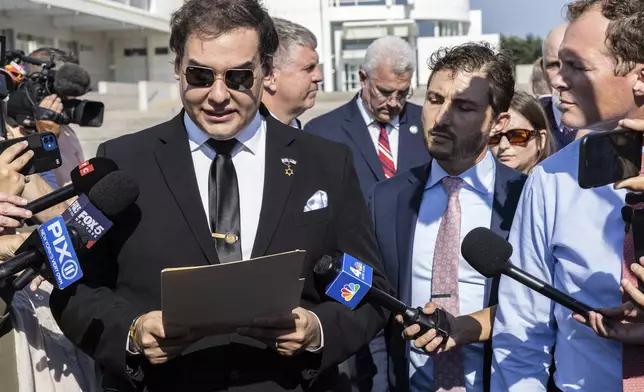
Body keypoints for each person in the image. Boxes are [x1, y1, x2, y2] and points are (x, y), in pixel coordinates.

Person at [49, 1, 391, 391]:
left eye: (239, 77)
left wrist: (318, 330)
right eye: (199, 74)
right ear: (178, 67)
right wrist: (131, 332)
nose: (217, 95)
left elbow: (370, 288)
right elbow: (73, 287)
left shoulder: (326, 163)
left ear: (266, 70)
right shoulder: (122, 162)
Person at [491, 1, 644, 391]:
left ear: (640, 76)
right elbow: (522, 330)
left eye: (577, 65)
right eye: (558, 64)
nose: (558, 80)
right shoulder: (551, 180)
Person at [368, 42, 526, 392]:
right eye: (435, 99)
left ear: (498, 122)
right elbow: (373, 311)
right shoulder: (387, 199)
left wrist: (468, 328)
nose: (441, 117)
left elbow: (538, 310)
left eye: (464, 106)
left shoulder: (525, 198)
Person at [304, 36, 429, 198]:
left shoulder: (427, 123)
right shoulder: (323, 132)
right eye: (385, 92)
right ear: (363, 79)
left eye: (403, 93)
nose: (394, 103)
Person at [26, 47, 86, 187]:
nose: (73, 96)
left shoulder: (65, 129)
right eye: (68, 87)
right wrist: (44, 139)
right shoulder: (14, 134)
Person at [261, 18, 322, 129]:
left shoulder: (298, 130)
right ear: (269, 75)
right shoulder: (245, 140)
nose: (319, 77)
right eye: (309, 68)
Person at [489, 91, 557, 174]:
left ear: (541, 140)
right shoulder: (475, 184)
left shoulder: (558, 184)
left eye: (516, 136)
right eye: (494, 137)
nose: (503, 146)